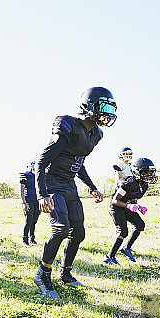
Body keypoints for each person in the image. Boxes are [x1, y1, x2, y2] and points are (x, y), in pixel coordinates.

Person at [33, 87, 117, 298]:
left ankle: (65, 272)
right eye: (103, 106)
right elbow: (41, 161)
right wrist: (42, 194)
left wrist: (91, 186)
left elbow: (78, 163)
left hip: (69, 184)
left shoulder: (96, 133)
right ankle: (42, 274)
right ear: (88, 105)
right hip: (52, 183)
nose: (106, 112)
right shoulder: (68, 124)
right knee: (60, 229)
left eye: (110, 107)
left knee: (78, 232)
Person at [105, 157, 157, 264]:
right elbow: (115, 200)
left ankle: (126, 248)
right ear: (137, 172)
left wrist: (138, 206)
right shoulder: (127, 182)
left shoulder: (143, 185)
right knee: (122, 231)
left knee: (139, 224)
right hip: (116, 205)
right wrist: (129, 206)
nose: (149, 175)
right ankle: (109, 257)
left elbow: (132, 198)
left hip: (126, 204)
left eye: (150, 172)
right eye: (145, 172)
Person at [19, 158, 40, 245]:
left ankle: (32, 238)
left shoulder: (39, 175)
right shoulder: (25, 175)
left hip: (37, 201)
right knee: (29, 220)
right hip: (28, 200)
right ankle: (25, 239)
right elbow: (22, 190)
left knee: (34, 220)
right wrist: (24, 203)